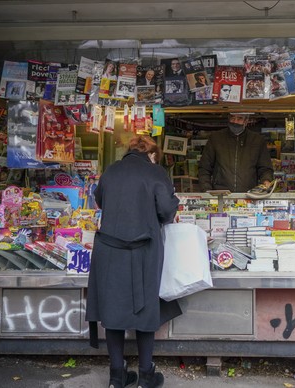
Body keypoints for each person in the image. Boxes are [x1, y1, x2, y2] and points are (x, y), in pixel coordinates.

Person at [86, 135, 181, 388]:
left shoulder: (111, 171)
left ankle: (117, 376)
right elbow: (166, 211)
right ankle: (146, 375)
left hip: (109, 249)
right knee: (145, 308)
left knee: (112, 309)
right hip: (142, 250)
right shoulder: (155, 171)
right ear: (151, 154)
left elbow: (100, 201)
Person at [198, 113, 275, 195]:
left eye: (239, 118)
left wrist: (266, 181)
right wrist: (207, 191)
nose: (235, 121)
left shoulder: (257, 141)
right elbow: (204, 168)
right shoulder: (215, 139)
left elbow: (265, 168)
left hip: (249, 196)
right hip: (220, 195)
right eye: (232, 118)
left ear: (246, 121)